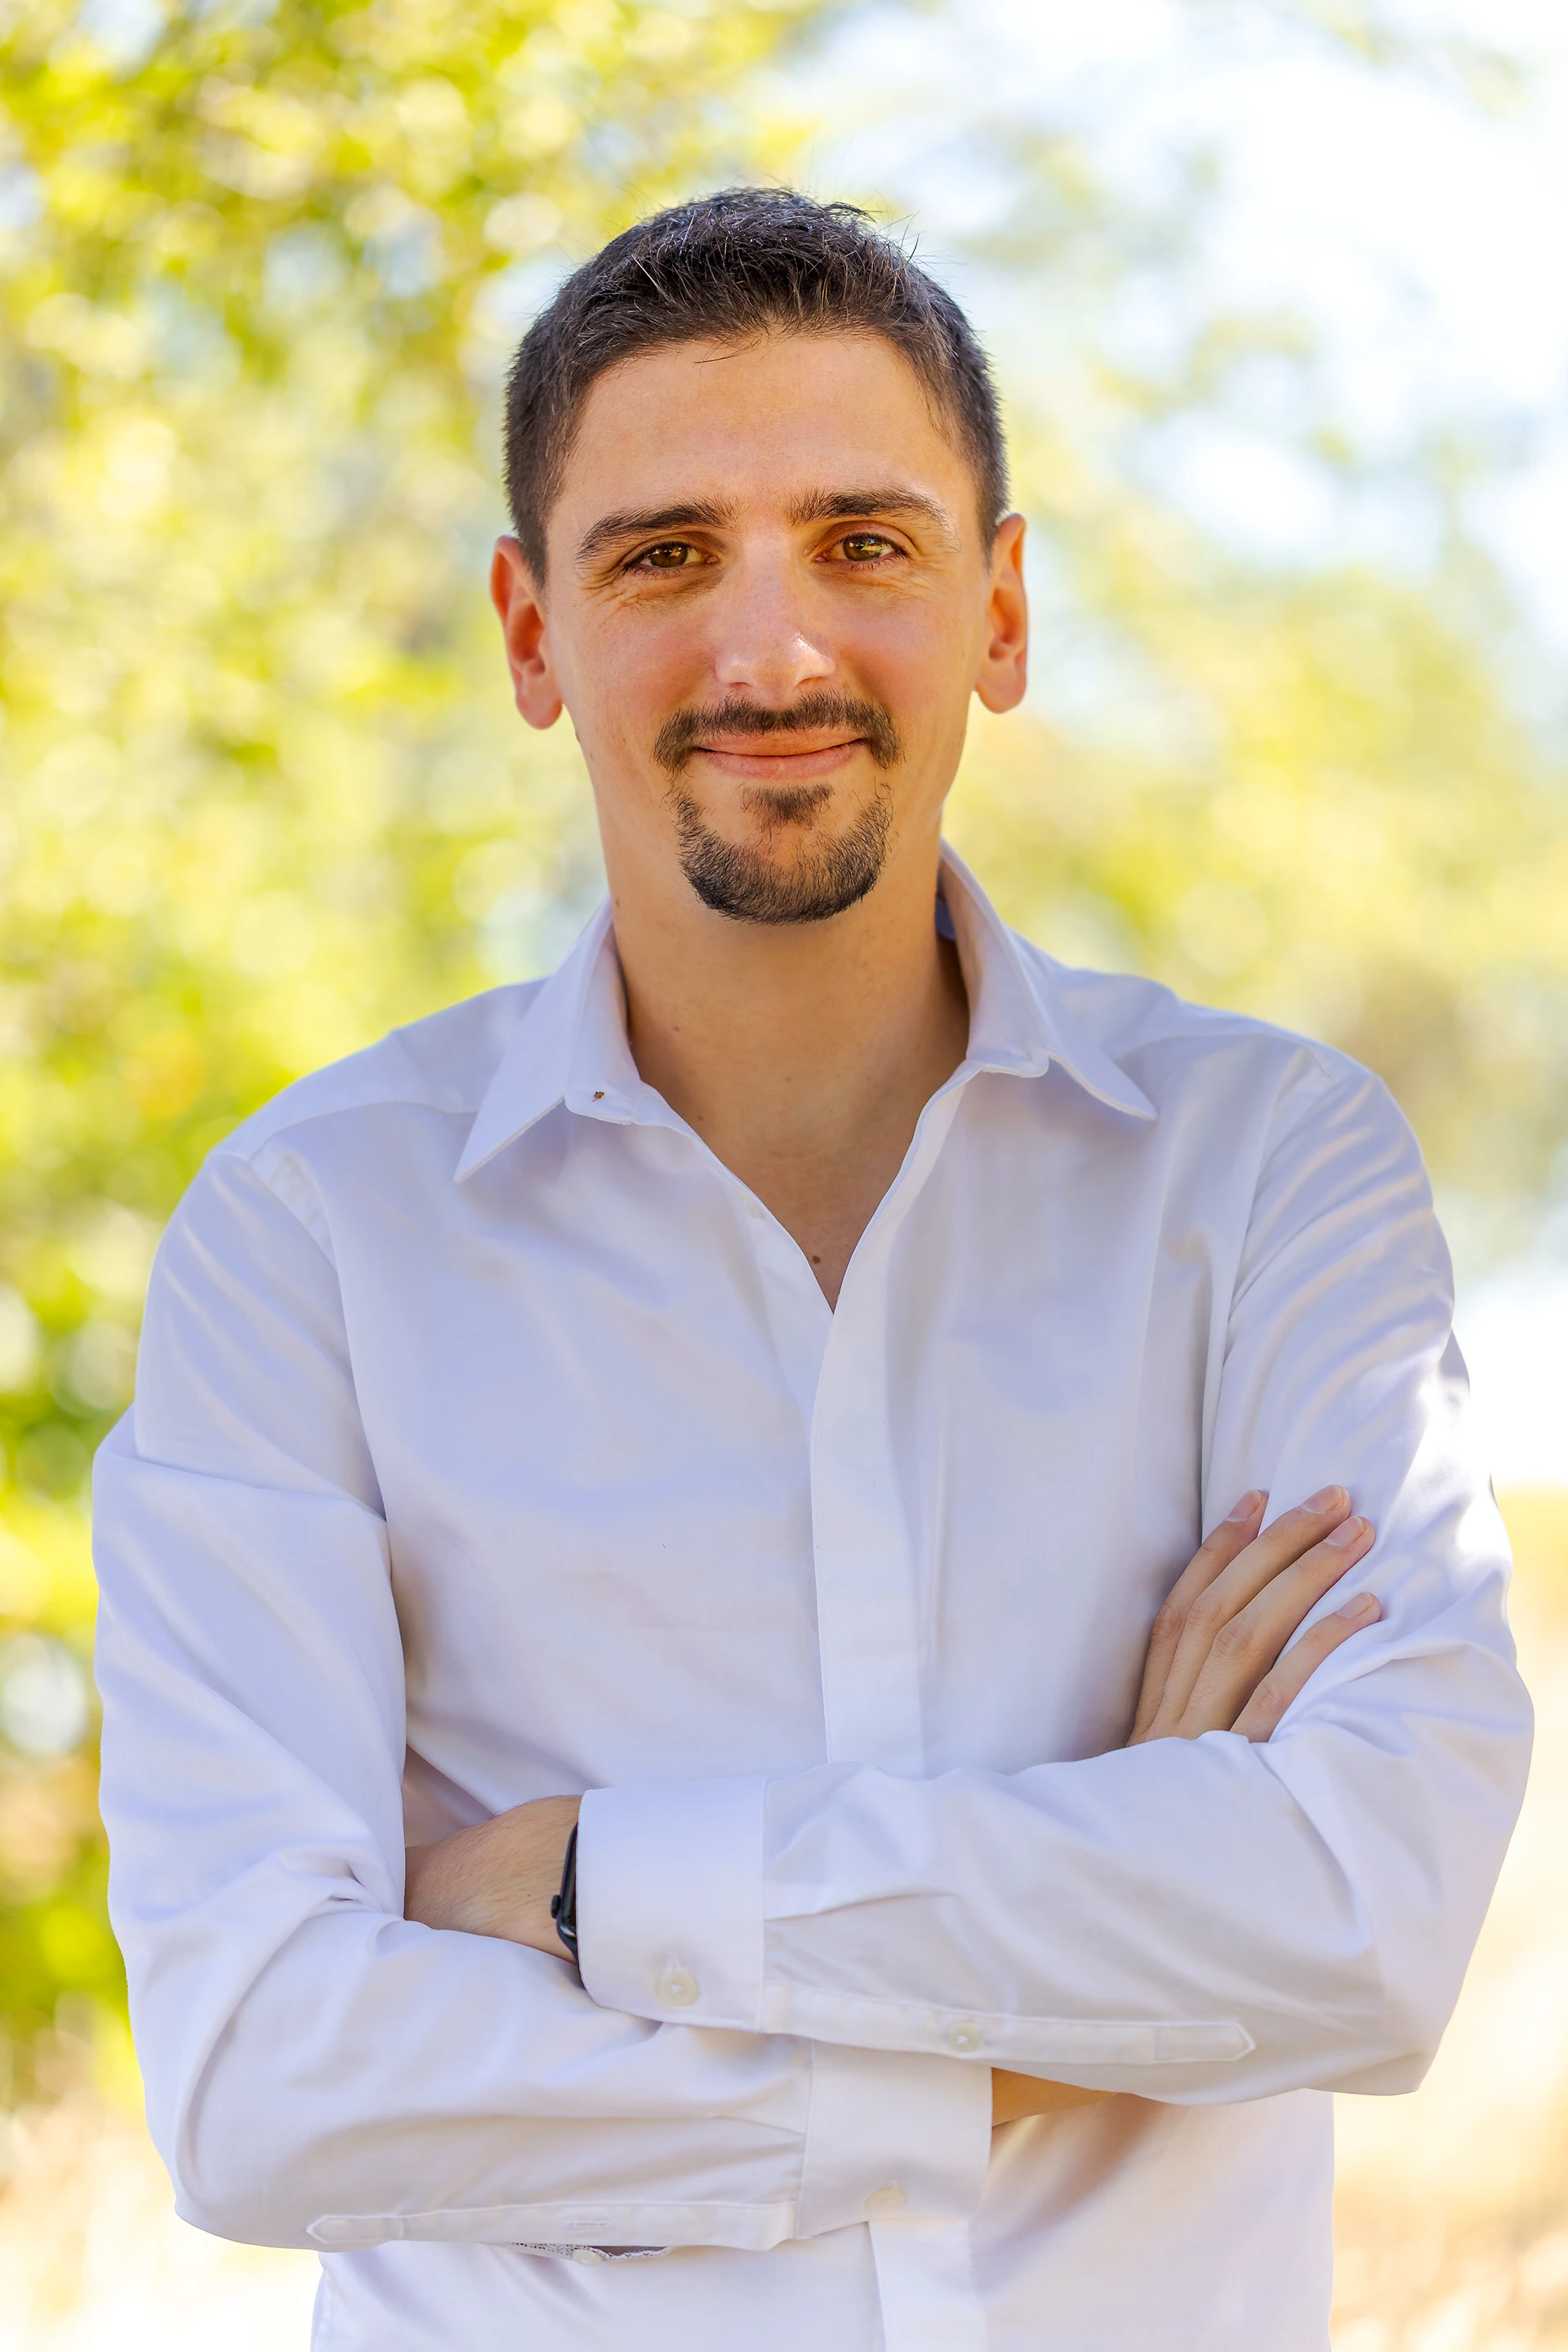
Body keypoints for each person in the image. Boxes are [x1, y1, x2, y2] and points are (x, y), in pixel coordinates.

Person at [92, 189, 1530, 2352]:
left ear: (1003, 608)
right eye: (664, 555)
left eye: (865, 541)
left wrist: (591, 1891)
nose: (772, 651)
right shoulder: (313, 1237)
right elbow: (262, 2083)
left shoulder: (1266, 1168)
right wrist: (1100, 1929)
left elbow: (1359, 1920)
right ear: (526, 630)